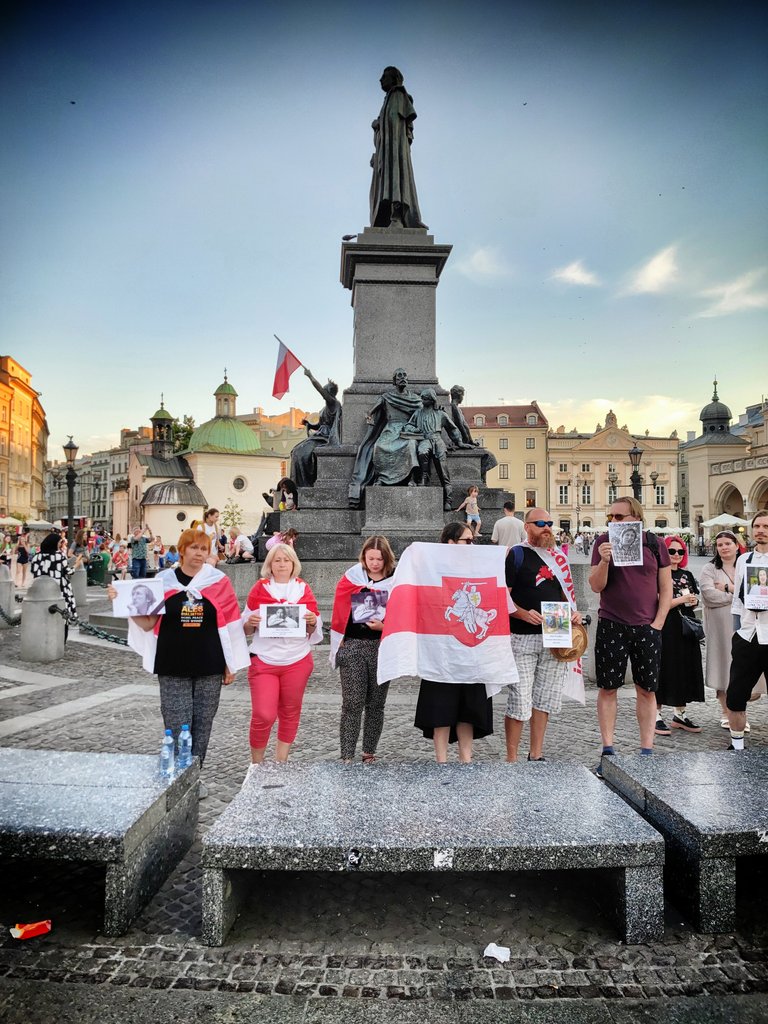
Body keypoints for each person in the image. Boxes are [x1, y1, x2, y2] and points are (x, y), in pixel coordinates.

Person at [111, 529, 249, 794]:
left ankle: (193, 778)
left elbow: (230, 625)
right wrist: (125, 604)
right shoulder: (163, 581)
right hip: (173, 663)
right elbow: (149, 621)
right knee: (175, 723)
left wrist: (229, 664)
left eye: (203, 548)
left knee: (203, 723)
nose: (199, 553)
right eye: (194, 548)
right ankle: (176, 778)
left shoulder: (219, 582)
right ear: (183, 550)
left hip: (209, 664)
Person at [589, 496, 672, 774]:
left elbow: (666, 587)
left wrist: (658, 623)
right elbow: (596, 586)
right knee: (608, 687)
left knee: (647, 689)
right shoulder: (602, 542)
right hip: (612, 623)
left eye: (619, 517)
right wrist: (603, 561)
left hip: (647, 626)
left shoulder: (654, 543)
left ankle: (646, 750)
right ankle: (608, 749)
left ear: (635, 517)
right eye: (610, 517)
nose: (613, 521)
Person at [504, 509, 583, 762]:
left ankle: (536, 754)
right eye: (540, 523)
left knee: (545, 699)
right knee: (519, 699)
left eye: (549, 523)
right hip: (522, 635)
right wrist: (521, 613)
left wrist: (573, 614)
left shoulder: (559, 557)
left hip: (555, 633)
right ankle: (512, 757)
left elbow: (565, 596)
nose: (547, 527)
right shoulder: (516, 553)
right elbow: (503, 595)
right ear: (527, 527)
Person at [414, 522, 493, 762]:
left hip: (471, 650)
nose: (472, 544)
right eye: (467, 540)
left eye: (473, 540)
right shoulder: (431, 568)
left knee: (469, 707)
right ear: (450, 542)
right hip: (441, 650)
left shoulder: (479, 567)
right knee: (441, 705)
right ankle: (441, 760)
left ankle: (466, 759)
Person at [242, 544, 322, 763]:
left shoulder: (303, 588)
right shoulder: (259, 589)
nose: (282, 564)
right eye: (277, 560)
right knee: (263, 714)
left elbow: (312, 627)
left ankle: (281, 761)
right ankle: (256, 764)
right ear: (270, 564)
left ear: (293, 563)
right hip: (265, 660)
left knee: (290, 710)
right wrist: (250, 622)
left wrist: (313, 622)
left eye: (286, 560)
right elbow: (245, 629)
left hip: (297, 660)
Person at [330, 536, 397, 764]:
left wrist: (384, 626)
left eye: (379, 559)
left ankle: (369, 751)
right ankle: (346, 754)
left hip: (382, 646)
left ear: (387, 558)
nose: (375, 563)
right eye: (371, 558)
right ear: (364, 557)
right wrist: (339, 637)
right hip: (354, 645)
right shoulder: (352, 577)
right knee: (352, 702)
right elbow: (339, 609)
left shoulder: (396, 581)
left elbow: (404, 615)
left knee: (376, 704)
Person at [699, 531, 763, 730]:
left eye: (728, 543)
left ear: (737, 545)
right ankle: (727, 711)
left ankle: (738, 709)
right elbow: (709, 595)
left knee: (746, 672)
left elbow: (758, 591)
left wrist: (728, 588)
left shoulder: (746, 564)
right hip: (719, 626)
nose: (724, 547)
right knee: (722, 666)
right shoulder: (710, 568)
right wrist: (737, 593)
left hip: (746, 625)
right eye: (720, 544)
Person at [725, 509, 768, 752]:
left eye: (766, 526)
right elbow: (737, 601)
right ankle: (737, 745)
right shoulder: (744, 560)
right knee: (736, 695)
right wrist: (736, 634)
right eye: (757, 526)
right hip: (747, 635)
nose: (761, 530)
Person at [348, 368, 422, 507]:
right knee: (379, 446)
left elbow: (424, 411)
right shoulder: (386, 397)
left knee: (411, 444)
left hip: (406, 429)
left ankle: (412, 478)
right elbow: (370, 412)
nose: (402, 378)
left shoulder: (415, 399)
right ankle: (381, 478)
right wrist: (369, 417)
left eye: (404, 375)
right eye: (399, 376)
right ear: (394, 381)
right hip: (390, 429)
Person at [654, 536, 705, 735]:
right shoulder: (658, 574)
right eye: (671, 551)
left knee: (685, 667)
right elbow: (658, 601)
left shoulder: (687, 574)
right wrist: (681, 599)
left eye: (680, 551)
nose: (676, 555)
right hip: (667, 625)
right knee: (665, 667)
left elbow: (694, 600)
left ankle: (680, 713)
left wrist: (692, 601)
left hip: (686, 627)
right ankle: (656, 715)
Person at [369, 66, 426, 229]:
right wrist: (378, 128)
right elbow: (386, 129)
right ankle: (388, 216)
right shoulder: (386, 101)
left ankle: (397, 215)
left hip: (396, 153)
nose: (380, 79)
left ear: (394, 78)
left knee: (397, 177)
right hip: (385, 155)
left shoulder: (399, 96)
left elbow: (398, 127)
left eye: (384, 76)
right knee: (385, 182)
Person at [401, 387, 464, 510]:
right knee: (422, 451)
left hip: (437, 440)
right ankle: (424, 477)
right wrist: (414, 429)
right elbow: (408, 425)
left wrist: (459, 442)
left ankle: (448, 499)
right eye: (422, 397)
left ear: (431, 400)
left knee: (443, 470)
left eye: (425, 398)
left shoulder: (441, 414)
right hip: (424, 439)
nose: (422, 399)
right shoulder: (418, 413)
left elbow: (453, 429)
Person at [290, 367, 342, 487]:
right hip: (320, 434)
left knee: (300, 453)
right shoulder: (325, 408)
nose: (323, 390)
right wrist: (309, 424)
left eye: (325, 389)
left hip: (326, 437)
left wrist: (310, 376)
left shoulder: (333, 403)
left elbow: (319, 389)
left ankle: (304, 484)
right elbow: (320, 425)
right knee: (295, 450)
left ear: (329, 392)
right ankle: (296, 485)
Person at [446, 385, 497, 482]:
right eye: (463, 395)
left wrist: (471, 442)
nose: (462, 398)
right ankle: (480, 480)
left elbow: (463, 426)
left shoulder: (456, 407)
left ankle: (480, 479)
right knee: (489, 456)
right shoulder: (454, 407)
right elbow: (461, 426)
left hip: (465, 441)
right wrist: (468, 442)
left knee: (487, 456)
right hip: (460, 442)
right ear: (459, 395)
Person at [30, 532, 78, 629]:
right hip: (59, 588)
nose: (60, 545)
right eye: (59, 542)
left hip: (41, 589)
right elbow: (68, 571)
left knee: (43, 614)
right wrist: (76, 566)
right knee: (63, 617)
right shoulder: (59, 556)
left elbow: (33, 572)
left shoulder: (36, 557)